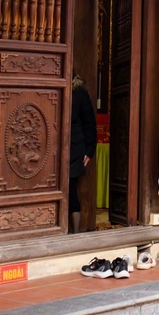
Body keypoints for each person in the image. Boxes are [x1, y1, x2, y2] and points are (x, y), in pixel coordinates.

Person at [70, 73, 97, 234]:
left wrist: (89, 149)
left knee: (70, 187)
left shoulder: (79, 92)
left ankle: (75, 233)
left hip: (74, 146)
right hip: (51, 146)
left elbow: (89, 122)